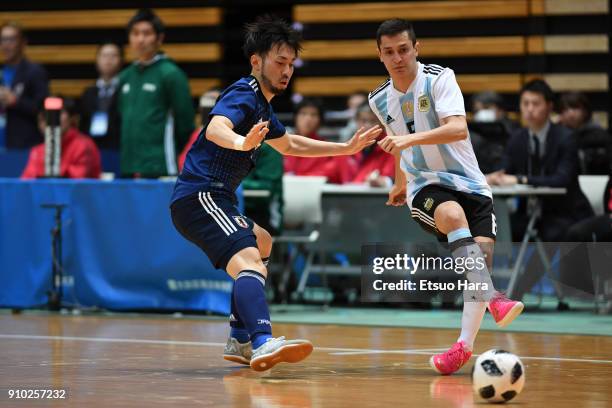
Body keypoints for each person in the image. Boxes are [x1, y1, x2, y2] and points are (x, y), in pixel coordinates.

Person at [170, 16, 381, 372]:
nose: (287, 71)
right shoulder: (243, 94)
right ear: (257, 61)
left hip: (216, 199)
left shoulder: (264, 107)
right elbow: (216, 128)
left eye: (291, 65)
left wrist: (344, 148)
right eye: (279, 62)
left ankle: (239, 339)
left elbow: (290, 144)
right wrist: (242, 142)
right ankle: (262, 341)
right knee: (250, 261)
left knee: (263, 242)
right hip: (201, 196)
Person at [370, 19, 523, 375]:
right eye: (389, 52)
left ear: (416, 48)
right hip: (426, 185)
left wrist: (406, 142)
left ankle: (462, 348)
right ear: (379, 55)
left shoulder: (440, 78)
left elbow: (458, 128)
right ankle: (495, 298)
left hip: (471, 183)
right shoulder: (379, 99)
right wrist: (399, 182)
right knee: (452, 215)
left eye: (404, 49)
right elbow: (396, 144)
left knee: (478, 262)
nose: (397, 58)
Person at [487, 80, 594, 301]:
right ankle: (474, 292)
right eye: (525, 103)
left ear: (549, 106)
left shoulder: (566, 137)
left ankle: (515, 295)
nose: (530, 109)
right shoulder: (517, 139)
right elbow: (504, 170)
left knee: (547, 232)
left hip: (566, 212)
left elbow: (562, 180)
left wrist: (520, 178)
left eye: (536, 103)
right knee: (491, 228)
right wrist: (492, 178)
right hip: (529, 213)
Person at [118, 9, 195, 178]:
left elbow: (185, 122)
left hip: (160, 165)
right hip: (128, 164)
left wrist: (173, 151)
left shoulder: (171, 74)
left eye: (146, 33)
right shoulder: (125, 76)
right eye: (135, 33)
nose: (140, 39)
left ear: (159, 38)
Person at [21, 97, 101, 179]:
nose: (51, 118)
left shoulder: (84, 146)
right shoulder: (37, 151)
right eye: (45, 115)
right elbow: (26, 184)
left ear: (72, 118)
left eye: (59, 113)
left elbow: (76, 183)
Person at [284, 98, 359, 183]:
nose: (308, 119)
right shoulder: (283, 143)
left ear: (320, 120)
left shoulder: (328, 148)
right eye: (303, 113)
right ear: (295, 117)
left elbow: (330, 174)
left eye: (313, 115)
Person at [0, 21, 49, 149]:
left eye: (11, 39)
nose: (6, 45)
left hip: (24, 147)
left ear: (23, 43)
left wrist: (16, 102)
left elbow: (43, 110)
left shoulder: (35, 72)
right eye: (3, 39)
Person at [79, 42, 123, 151]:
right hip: (92, 148)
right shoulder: (88, 92)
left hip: (118, 147)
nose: (108, 60)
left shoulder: (126, 91)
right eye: (104, 56)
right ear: (97, 60)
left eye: (113, 56)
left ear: (121, 60)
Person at [558, 91, 611, 175]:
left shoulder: (599, 136)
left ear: (586, 111)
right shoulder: (557, 135)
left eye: (575, 108)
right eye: (566, 109)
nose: (571, 113)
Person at [350, 102, 395, 186]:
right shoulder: (349, 146)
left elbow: (392, 178)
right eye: (363, 121)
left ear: (382, 122)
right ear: (356, 121)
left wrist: (383, 181)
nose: (368, 125)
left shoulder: (390, 146)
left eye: (373, 121)